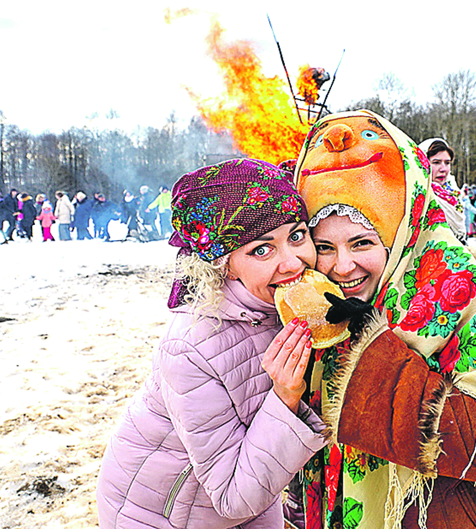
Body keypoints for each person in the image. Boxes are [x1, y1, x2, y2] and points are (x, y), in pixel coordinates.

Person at [292, 110, 476, 529]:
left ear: (404, 231)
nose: (341, 267)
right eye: (324, 246)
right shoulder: (313, 304)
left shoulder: (454, 289)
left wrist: (372, 355)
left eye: (363, 242)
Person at [96, 158, 327, 529]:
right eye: (261, 250)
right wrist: (285, 398)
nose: (293, 262)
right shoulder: (190, 347)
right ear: (224, 265)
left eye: (297, 236)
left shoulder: (281, 305)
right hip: (160, 514)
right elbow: (234, 498)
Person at [418, 138, 467, 244]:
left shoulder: (453, 192)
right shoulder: (417, 193)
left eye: (447, 163)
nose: (443, 169)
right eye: (436, 162)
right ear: (423, 163)